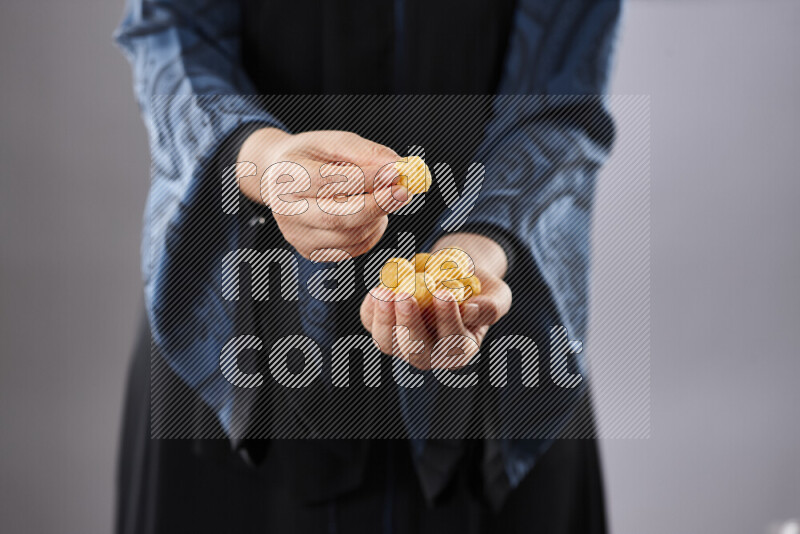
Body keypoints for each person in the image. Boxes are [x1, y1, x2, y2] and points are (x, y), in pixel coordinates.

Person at [114, 0, 621, 532]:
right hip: (233, 341)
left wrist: (480, 248)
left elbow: (563, 87)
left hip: (492, 358)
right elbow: (172, 33)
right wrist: (265, 164)